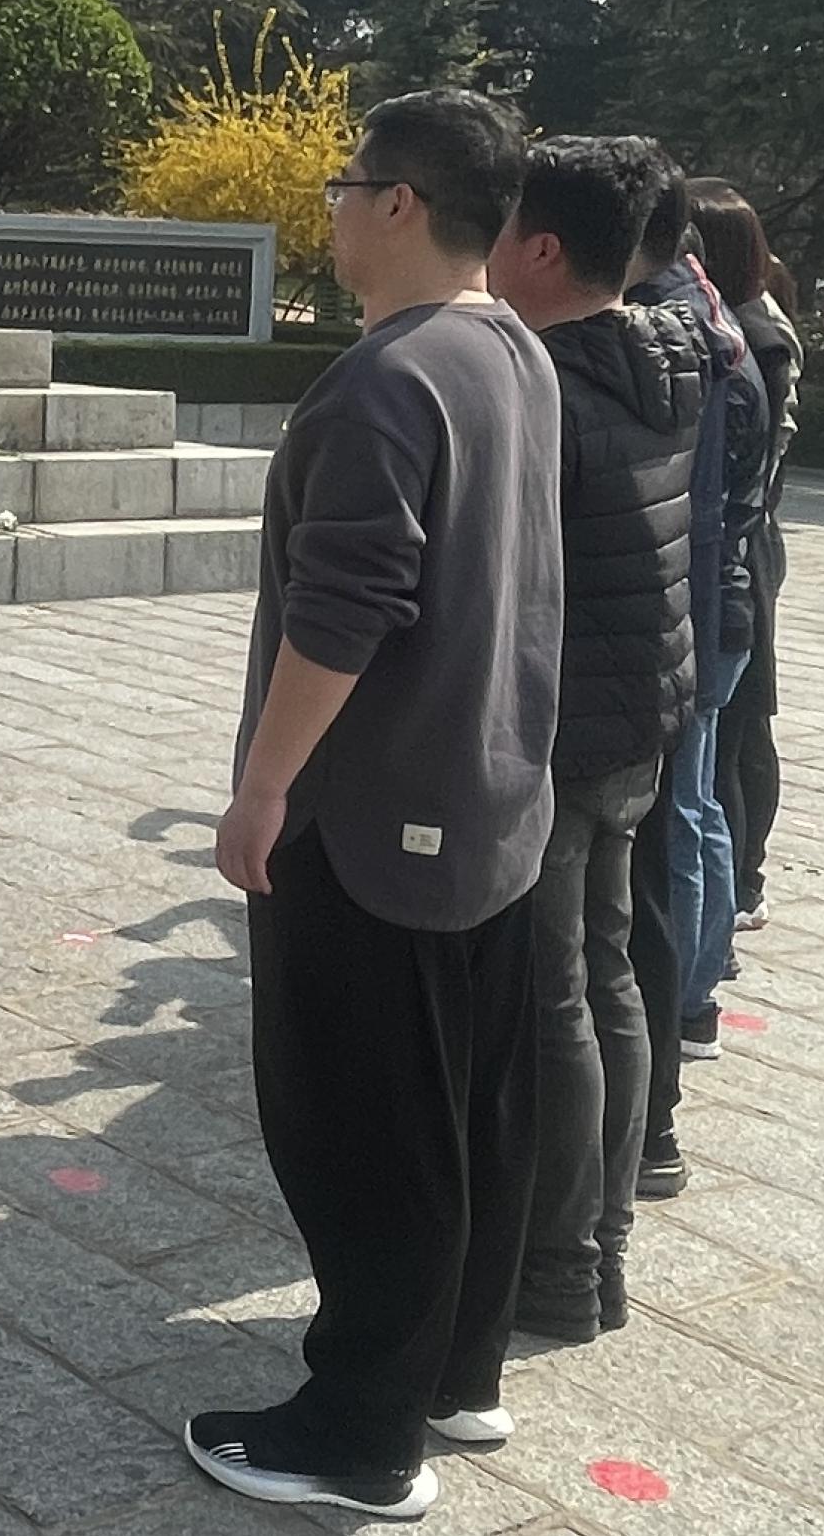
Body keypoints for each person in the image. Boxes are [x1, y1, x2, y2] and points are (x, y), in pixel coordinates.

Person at [191, 92, 560, 1522]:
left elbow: (346, 609)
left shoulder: (384, 382)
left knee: (362, 1130)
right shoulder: (514, 348)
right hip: (489, 803)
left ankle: (358, 1435)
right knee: (471, 1108)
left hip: (369, 822)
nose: (332, 206)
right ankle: (456, 1374)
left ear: (400, 202)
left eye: (347, 183)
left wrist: (264, 784)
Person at [487, 137, 704, 1348]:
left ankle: (561, 1265)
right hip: (639, 713)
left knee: (554, 995)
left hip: (566, 726)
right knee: (607, 974)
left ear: (542, 249)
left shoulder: (543, 384)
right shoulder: (666, 356)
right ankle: (604, 1242)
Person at [627, 170, 770, 1202]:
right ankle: (698, 991)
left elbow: (702, 512)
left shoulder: (688, 340)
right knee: (698, 805)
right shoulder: (722, 326)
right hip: (720, 609)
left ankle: (684, 1001)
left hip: (701, 612)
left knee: (679, 816)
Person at [689, 182, 800, 935]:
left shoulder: (752, 338)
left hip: (744, 540)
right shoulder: (747, 322)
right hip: (751, 535)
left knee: (737, 726)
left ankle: (742, 883)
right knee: (737, 725)